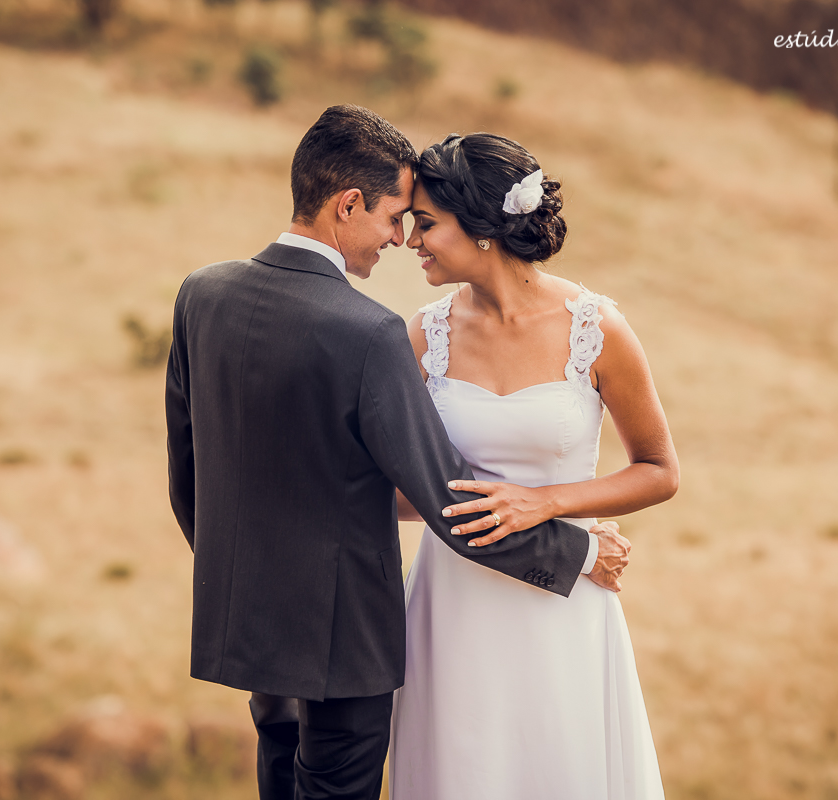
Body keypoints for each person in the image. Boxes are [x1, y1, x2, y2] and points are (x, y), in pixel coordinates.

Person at [165, 105, 631, 800]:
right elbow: (448, 499)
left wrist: (244, 580)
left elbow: (188, 468)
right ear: (347, 204)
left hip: (254, 631)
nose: (398, 238)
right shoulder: (370, 330)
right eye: (392, 217)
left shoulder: (201, 294)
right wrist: (580, 553)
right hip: (345, 644)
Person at [388, 133, 680, 799]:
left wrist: (548, 504)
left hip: (562, 609)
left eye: (426, 223)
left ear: (484, 227)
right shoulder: (422, 336)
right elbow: (408, 493)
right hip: (452, 609)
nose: (412, 241)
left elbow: (660, 469)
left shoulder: (596, 329)